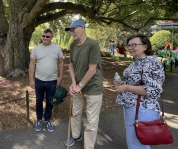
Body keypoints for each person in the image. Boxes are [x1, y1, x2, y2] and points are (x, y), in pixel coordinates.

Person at [114, 34, 164, 149]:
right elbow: (136, 82)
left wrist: (126, 88)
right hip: (133, 107)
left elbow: (153, 90)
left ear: (145, 47)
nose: (130, 47)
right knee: (136, 141)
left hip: (143, 109)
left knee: (137, 144)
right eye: (129, 45)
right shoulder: (136, 62)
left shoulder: (152, 63)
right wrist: (123, 84)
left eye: (134, 44)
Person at [63, 20, 104, 149]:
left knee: (92, 120)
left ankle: (88, 147)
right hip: (78, 87)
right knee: (75, 113)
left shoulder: (93, 44)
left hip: (93, 88)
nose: (71, 32)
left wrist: (79, 85)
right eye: (69, 30)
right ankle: (75, 136)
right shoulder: (73, 45)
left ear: (82, 27)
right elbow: (71, 65)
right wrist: (74, 83)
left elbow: (92, 69)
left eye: (73, 29)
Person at [29, 29, 64, 132]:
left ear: (51, 37)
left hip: (52, 81)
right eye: (43, 36)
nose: (45, 38)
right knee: (39, 101)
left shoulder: (57, 49)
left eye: (47, 36)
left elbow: (61, 63)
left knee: (50, 101)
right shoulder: (36, 49)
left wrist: (60, 76)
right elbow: (31, 64)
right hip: (39, 80)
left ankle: (47, 119)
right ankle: (39, 119)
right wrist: (31, 79)